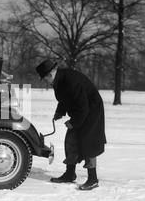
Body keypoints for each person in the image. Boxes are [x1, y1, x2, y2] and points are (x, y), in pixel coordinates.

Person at [36, 59, 106, 191]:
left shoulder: (70, 81)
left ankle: (93, 179)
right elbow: (65, 98)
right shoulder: (59, 81)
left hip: (91, 110)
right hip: (81, 110)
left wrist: (73, 122)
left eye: (45, 78)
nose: (45, 81)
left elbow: (83, 106)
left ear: (50, 75)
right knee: (71, 140)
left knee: (88, 142)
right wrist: (60, 112)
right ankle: (69, 173)